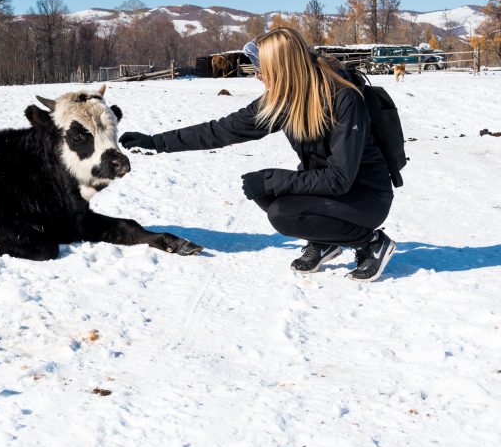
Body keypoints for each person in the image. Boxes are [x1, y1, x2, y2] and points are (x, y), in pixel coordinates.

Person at [120, 27, 396, 281]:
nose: (257, 75)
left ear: (283, 68)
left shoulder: (343, 99)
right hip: (331, 192)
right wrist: (156, 142)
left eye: (262, 68)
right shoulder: (285, 99)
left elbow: (339, 178)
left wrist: (275, 179)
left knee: (282, 213)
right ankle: (324, 239)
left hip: (366, 196)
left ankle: (370, 242)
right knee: (260, 189)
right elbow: (220, 130)